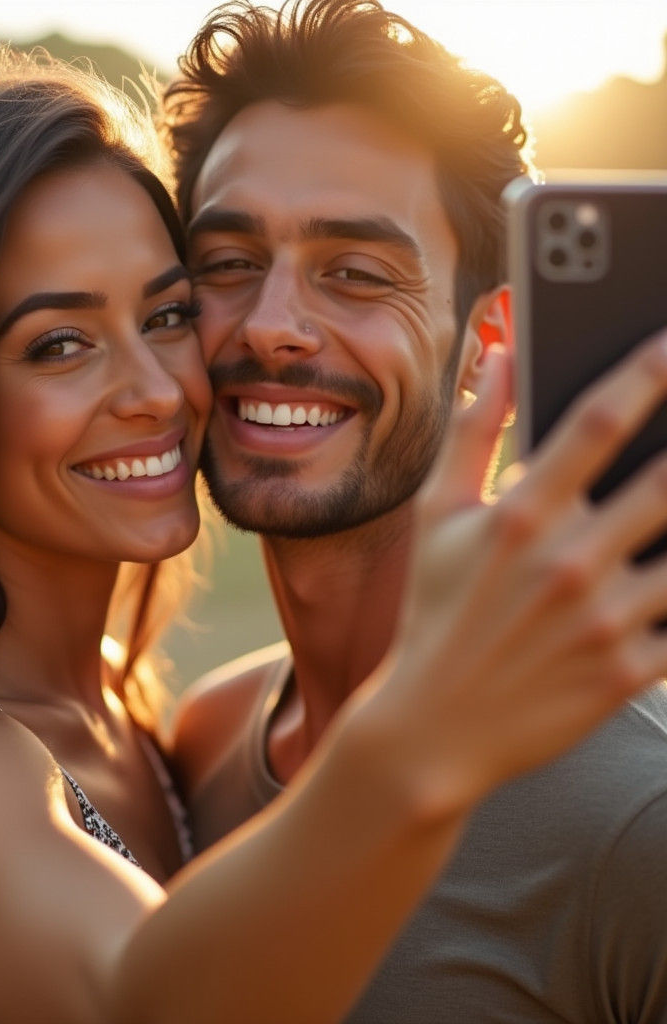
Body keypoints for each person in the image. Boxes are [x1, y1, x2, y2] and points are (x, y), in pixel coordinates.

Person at [0, 28, 666, 1024]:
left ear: (488, 337)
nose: (159, 382)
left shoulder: (174, 737)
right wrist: (422, 735)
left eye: (166, 312)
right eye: (56, 343)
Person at [164, 1, 667, 1021]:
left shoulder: (636, 813)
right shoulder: (204, 743)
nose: (271, 329)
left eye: (355, 274)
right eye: (227, 264)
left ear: (491, 341)